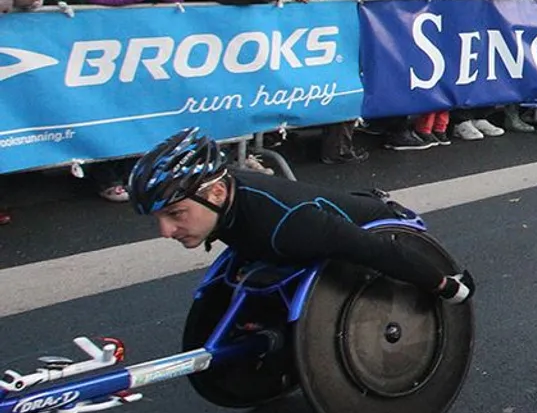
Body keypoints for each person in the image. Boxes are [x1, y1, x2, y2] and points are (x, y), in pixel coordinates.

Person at [130, 128, 472, 301]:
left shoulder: (288, 225)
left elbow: (375, 250)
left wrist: (446, 285)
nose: (164, 231)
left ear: (217, 193)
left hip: (379, 226)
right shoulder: (226, 196)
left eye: (175, 213)